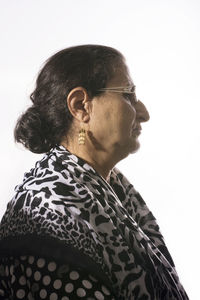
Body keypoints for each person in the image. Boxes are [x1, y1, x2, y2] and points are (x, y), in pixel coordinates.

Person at [0, 45, 188, 300]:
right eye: (128, 94)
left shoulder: (114, 189)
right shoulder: (51, 209)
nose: (144, 113)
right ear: (80, 106)